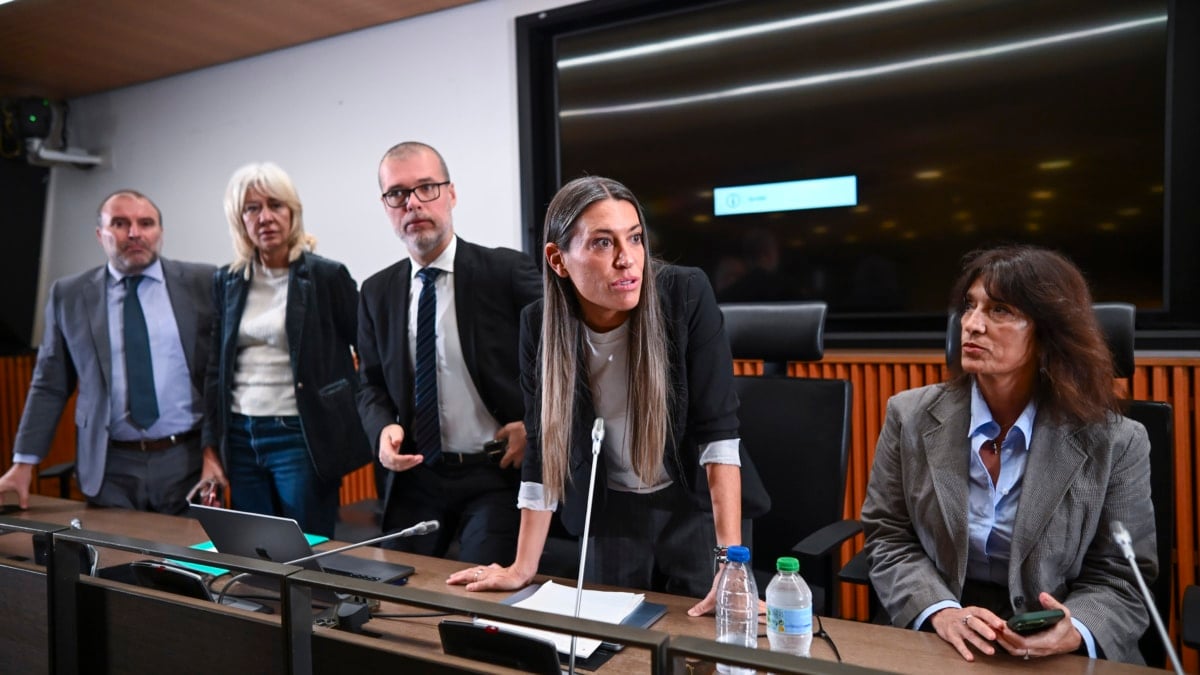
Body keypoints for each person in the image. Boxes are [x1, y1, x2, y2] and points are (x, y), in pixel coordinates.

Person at [448, 175, 765, 617]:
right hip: (610, 506)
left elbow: (719, 436)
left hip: (697, 504)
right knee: (608, 638)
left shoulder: (685, 294)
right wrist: (522, 566)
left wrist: (729, 562)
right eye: (602, 243)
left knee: (709, 632)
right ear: (558, 260)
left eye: (634, 238)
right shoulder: (539, 324)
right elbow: (543, 447)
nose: (627, 259)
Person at [861, 245, 1157, 664]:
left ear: (1048, 332)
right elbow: (888, 536)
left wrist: (1074, 629)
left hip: (1055, 649)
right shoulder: (909, 415)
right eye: (970, 306)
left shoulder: (1117, 441)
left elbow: (1122, 577)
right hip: (941, 633)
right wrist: (940, 611)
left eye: (999, 310)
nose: (971, 325)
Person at [357, 142, 541, 562]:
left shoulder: (506, 272)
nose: (413, 203)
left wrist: (534, 426)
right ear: (386, 206)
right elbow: (369, 384)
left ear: (451, 193)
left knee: (480, 586)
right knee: (393, 585)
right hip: (418, 473)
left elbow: (562, 360)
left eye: (427, 188)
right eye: (397, 193)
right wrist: (382, 429)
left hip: (496, 472)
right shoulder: (376, 292)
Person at [0, 190, 224, 514]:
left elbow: (223, 375)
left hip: (187, 460)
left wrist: (215, 452)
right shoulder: (69, 295)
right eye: (120, 223)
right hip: (110, 465)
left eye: (145, 223)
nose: (134, 233)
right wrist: (24, 462)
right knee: (115, 548)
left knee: (195, 549)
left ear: (160, 232)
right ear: (100, 234)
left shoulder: (204, 282)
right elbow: (50, 384)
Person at [203, 163, 371, 538]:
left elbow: (369, 351)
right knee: (253, 549)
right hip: (240, 434)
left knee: (305, 546)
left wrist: (353, 410)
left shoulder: (327, 276)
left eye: (275, 205)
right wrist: (210, 448)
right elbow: (216, 369)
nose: (265, 217)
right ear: (239, 219)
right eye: (252, 208)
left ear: (292, 212)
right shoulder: (228, 280)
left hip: (300, 434)